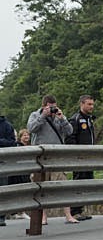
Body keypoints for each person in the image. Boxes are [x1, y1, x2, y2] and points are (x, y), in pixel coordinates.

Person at [28, 95, 77, 224]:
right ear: (44, 106)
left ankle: (68, 215)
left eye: (54, 106)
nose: (52, 109)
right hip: (40, 157)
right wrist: (43, 116)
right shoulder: (35, 115)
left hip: (57, 156)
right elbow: (31, 129)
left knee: (63, 185)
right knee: (42, 188)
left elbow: (70, 131)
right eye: (50, 107)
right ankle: (43, 217)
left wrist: (63, 119)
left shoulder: (58, 117)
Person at [65, 94, 96, 221]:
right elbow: (69, 138)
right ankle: (74, 211)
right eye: (89, 104)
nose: (91, 107)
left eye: (92, 104)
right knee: (78, 183)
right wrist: (76, 153)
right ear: (82, 104)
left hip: (89, 157)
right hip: (79, 158)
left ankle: (80, 210)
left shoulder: (89, 119)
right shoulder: (75, 119)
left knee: (86, 183)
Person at [0, 114, 16, 226]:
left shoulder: (7, 125)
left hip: (3, 162)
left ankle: (1, 216)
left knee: (2, 189)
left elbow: (12, 142)